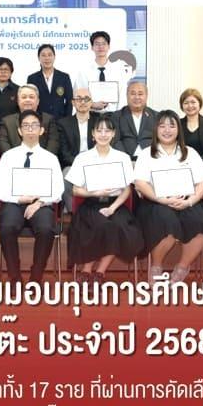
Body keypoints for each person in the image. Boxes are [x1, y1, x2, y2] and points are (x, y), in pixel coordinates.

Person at [134, 110, 203, 284]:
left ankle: (182, 267)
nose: (167, 130)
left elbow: (202, 183)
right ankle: (156, 267)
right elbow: (140, 183)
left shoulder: (190, 153)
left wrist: (190, 201)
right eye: (162, 126)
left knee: (200, 222)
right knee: (166, 221)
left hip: (187, 201)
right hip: (156, 202)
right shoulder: (147, 154)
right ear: (156, 129)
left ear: (178, 129)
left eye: (172, 126)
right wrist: (161, 199)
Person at [66, 116, 143, 284]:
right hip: (91, 203)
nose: (103, 134)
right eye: (99, 130)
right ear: (93, 134)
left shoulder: (122, 158)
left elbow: (127, 189)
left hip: (116, 204)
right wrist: (94, 192)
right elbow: (75, 189)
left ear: (113, 134)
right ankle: (86, 271)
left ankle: (100, 272)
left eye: (107, 130)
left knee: (118, 226)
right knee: (100, 225)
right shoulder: (83, 158)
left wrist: (113, 208)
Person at [0, 110, 64, 285]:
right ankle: (14, 276)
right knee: (7, 227)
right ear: (19, 130)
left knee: (46, 228)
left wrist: (39, 202)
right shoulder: (8, 157)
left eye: (34, 125)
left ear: (42, 130)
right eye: (26, 126)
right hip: (14, 203)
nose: (30, 129)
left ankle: (36, 276)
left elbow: (58, 190)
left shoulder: (50, 158)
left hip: (40, 204)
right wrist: (18, 199)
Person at [58, 87, 100, 211]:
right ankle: (74, 212)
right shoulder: (63, 123)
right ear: (73, 102)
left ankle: (98, 210)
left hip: (96, 162)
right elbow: (64, 153)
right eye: (78, 99)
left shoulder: (99, 122)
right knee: (66, 175)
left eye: (86, 99)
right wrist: (80, 164)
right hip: (72, 164)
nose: (82, 102)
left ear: (91, 102)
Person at [74, 31, 132, 113]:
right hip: (91, 114)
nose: (101, 47)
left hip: (114, 115)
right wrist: (92, 104)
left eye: (104, 44)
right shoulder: (84, 72)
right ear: (92, 47)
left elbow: (122, 97)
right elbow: (77, 96)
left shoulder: (119, 71)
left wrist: (119, 116)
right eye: (97, 44)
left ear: (108, 46)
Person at [0, 84, 60, 155]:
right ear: (18, 101)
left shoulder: (48, 120)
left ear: (38, 101)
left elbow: (53, 144)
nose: (27, 100)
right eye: (24, 97)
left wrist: (41, 159)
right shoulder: (7, 122)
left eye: (31, 97)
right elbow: (3, 144)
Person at [112, 81, 157, 161]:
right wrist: (126, 160)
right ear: (127, 95)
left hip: (150, 159)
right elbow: (116, 141)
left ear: (146, 96)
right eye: (133, 94)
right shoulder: (117, 116)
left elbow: (160, 140)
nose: (137, 97)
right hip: (125, 159)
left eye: (140, 94)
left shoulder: (156, 116)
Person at [27, 44, 73, 118]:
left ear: (54, 57)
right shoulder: (32, 78)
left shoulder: (64, 77)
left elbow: (69, 101)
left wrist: (67, 120)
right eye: (43, 55)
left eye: (49, 55)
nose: (47, 58)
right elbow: (31, 101)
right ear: (39, 58)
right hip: (40, 119)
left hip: (60, 120)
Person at [178, 88, 203, 163]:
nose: (190, 106)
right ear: (182, 106)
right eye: (186, 103)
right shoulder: (177, 124)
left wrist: (197, 162)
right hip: (182, 164)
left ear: (199, 103)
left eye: (193, 102)